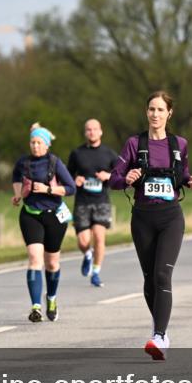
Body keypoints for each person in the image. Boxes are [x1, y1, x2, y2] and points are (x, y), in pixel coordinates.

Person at [108, 91, 192, 360]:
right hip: (143, 218)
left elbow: (180, 175)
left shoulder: (179, 144)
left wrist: (190, 181)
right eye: (151, 109)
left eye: (160, 110)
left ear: (169, 113)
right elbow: (114, 179)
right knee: (150, 278)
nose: (155, 114)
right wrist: (127, 177)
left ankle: (159, 336)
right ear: (146, 112)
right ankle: (160, 330)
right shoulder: (135, 143)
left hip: (171, 217)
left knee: (162, 275)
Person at [11, 124, 76, 322]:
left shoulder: (55, 163)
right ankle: (36, 307)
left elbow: (71, 188)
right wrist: (17, 195)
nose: (35, 146)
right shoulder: (23, 162)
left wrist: (48, 189)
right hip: (31, 214)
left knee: (52, 262)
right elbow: (15, 177)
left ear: (47, 145)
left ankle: (52, 298)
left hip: (54, 216)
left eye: (39, 143)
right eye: (33, 142)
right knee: (34, 258)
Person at [67, 119, 118, 287]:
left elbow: (120, 175)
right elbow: (66, 176)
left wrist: (108, 176)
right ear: (85, 132)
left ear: (101, 131)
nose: (92, 132)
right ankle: (87, 254)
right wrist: (76, 179)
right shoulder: (77, 153)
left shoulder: (109, 154)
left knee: (99, 236)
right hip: (82, 201)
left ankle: (96, 272)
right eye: (88, 129)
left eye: (95, 129)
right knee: (83, 241)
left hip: (101, 200)